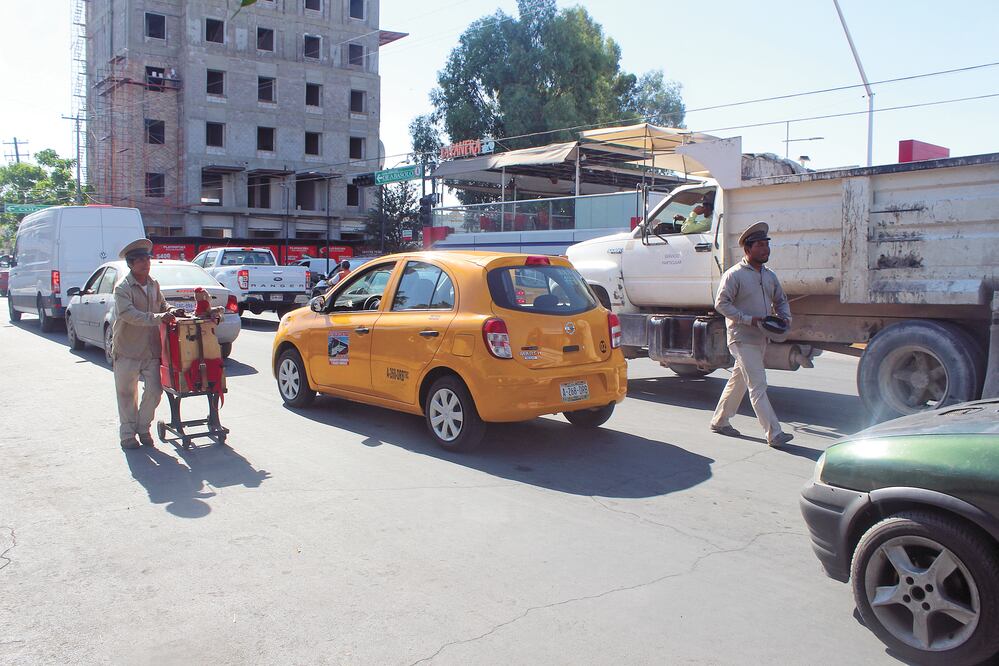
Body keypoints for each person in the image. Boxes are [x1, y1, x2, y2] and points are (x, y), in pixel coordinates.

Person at [709, 221, 794, 448]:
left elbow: (781, 300)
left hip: (761, 337)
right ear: (748, 249)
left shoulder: (769, 275)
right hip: (741, 337)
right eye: (760, 245)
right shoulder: (734, 275)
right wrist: (748, 319)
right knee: (758, 385)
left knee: (739, 380)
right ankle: (774, 433)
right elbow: (721, 304)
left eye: (767, 244)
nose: (765, 249)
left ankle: (720, 420)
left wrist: (785, 318)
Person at [112, 238, 179, 450]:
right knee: (126, 394)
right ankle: (127, 435)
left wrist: (171, 310)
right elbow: (129, 314)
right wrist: (159, 317)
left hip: (151, 350)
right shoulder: (122, 288)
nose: (145, 263)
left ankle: (143, 428)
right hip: (127, 349)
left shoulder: (153, 284)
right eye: (140, 260)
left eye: (147, 259)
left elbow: (162, 304)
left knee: (155, 391)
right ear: (131, 264)